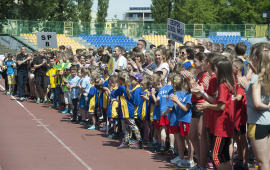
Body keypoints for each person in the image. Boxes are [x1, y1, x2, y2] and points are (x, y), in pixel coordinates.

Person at [197, 58, 236, 170]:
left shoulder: (223, 86)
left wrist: (207, 106)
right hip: (226, 125)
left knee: (215, 156)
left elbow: (221, 106)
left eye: (217, 68)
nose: (215, 71)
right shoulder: (229, 84)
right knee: (225, 157)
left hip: (221, 126)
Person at [238, 45, 270, 170]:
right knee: (267, 160)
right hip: (266, 121)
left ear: (256, 58)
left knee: (262, 162)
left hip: (257, 122)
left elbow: (257, 103)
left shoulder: (256, 78)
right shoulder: (265, 76)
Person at [111, 71, 142, 149]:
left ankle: (139, 141)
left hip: (126, 110)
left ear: (120, 80)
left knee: (132, 126)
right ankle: (126, 141)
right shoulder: (130, 86)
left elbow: (114, 93)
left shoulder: (122, 87)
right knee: (126, 126)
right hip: (126, 109)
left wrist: (117, 85)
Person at [169, 75, 194, 168]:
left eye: (185, 84)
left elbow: (185, 108)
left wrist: (176, 101)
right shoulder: (186, 94)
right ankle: (186, 159)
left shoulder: (190, 95)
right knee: (186, 139)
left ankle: (190, 159)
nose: (184, 86)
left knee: (189, 140)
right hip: (183, 120)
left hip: (187, 120)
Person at [232, 58, 249, 170]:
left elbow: (238, 97)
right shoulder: (234, 80)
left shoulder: (241, 80)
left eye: (232, 66)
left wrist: (228, 97)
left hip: (240, 116)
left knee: (242, 140)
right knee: (237, 139)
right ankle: (239, 160)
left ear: (237, 68)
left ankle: (245, 163)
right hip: (235, 115)